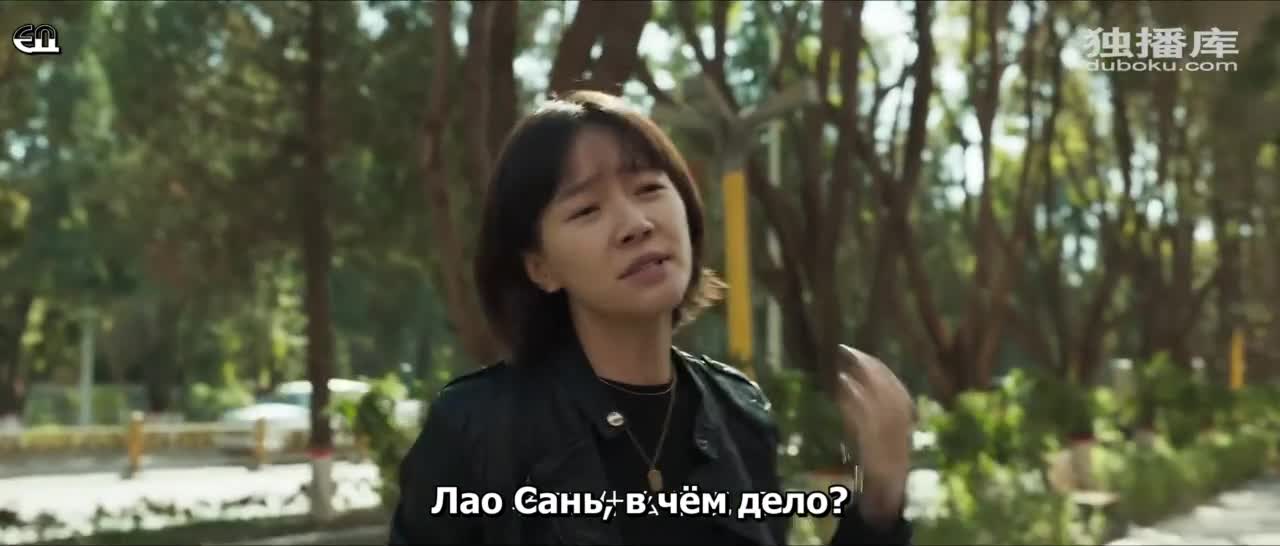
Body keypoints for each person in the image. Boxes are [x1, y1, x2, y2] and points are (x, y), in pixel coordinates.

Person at [388, 90, 915, 545]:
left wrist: (879, 505)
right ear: (540, 267)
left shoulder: (740, 415)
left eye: (648, 189)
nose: (636, 224)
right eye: (586, 210)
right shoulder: (477, 429)